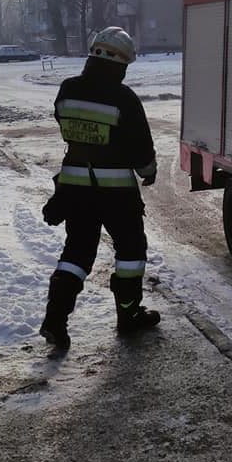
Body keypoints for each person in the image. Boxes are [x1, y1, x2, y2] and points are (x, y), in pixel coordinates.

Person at [38, 27, 160, 349]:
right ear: (120, 63)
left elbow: (66, 129)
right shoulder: (123, 98)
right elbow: (141, 151)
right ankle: (129, 315)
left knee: (77, 252)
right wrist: (149, 172)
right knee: (131, 253)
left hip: (75, 189)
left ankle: (55, 320)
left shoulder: (67, 90)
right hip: (117, 193)